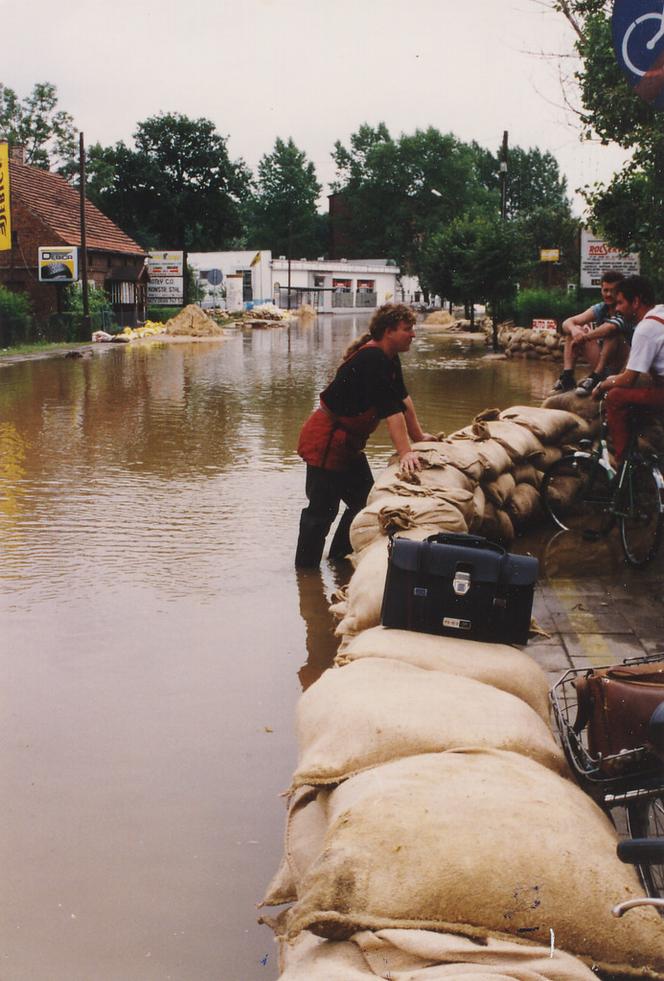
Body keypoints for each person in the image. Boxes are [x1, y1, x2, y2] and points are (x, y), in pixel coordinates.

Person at [295, 303, 435, 568]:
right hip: (326, 440)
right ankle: (306, 573)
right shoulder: (372, 360)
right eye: (407, 329)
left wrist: (418, 436)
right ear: (388, 331)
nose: (413, 335)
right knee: (321, 513)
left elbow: (403, 399)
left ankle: (337, 560)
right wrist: (405, 452)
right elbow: (392, 413)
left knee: (364, 501)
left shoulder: (389, 358)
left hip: (348, 443)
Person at [593, 275, 664, 464]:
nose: (617, 309)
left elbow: (628, 379)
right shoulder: (661, 313)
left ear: (636, 302)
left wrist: (602, 386)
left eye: (620, 303)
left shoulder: (646, 328)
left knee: (615, 396)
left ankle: (624, 460)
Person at [552, 270, 631, 396]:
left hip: (623, 368)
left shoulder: (626, 308)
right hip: (603, 360)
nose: (609, 294)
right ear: (601, 290)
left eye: (613, 290)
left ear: (621, 292)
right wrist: (575, 331)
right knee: (574, 330)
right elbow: (568, 322)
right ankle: (567, 376)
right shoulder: (601, 308)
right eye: (605, 290)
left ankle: (596, 376)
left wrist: (584, 337)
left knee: (611, 333)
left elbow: (610, 328)